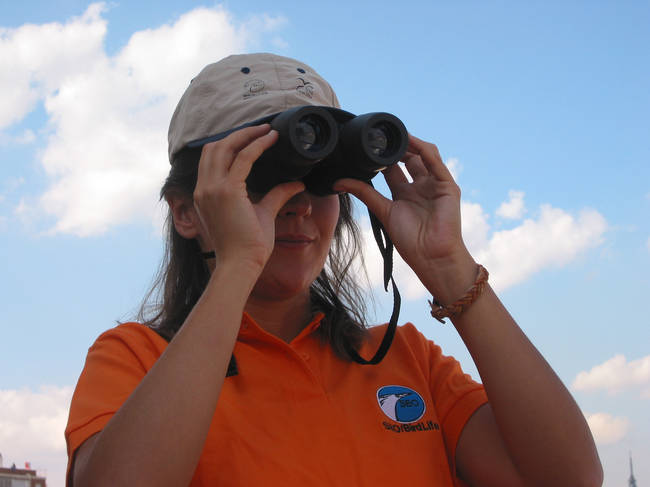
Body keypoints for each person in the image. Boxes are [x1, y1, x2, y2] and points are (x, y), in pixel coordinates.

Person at [65, 53, 602, 487]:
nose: (298, 204)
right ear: (187, 210)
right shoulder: (136, 361)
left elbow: (568, 476)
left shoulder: (405, 362)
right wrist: (238, 265)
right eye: (261, 178)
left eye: (321, 180)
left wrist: (450, 267)